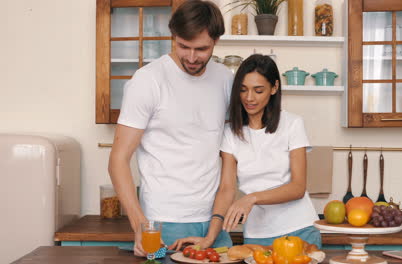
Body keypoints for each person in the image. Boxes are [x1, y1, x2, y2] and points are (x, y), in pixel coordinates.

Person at [108, 0, 233, 257]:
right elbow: (118, 159)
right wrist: (141, 225)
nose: (191, 57)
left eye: (201, 49)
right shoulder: (148, 81)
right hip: (163, 220)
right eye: (183, 46)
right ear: (173, 37)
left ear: (216, 41)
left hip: (213, 222)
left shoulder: (226, 80)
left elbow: (231, 155)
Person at [171, 54, 322, 249]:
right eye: (243, 90)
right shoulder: (231, 133)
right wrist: (210, 238)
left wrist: (252, 198)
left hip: (299, 229)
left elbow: (298, 187)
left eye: (258, 90)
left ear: (274, 88)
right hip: (257, 236)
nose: (249, 98)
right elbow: (226, 189)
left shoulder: (292, 124)